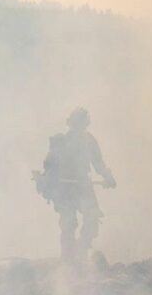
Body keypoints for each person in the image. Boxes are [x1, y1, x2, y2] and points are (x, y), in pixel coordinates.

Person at [36, 107, 116, 262]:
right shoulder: (60, 142)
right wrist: (48, 179)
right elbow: (50, 165)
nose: (79, 127)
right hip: (64, 189)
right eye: (76, 123)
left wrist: (108, 176)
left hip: (84, 186)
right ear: (70, 124)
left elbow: (98, 163)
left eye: (82, 123)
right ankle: (68, 260)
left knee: (92, 219)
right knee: (69, 223)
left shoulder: (89, 141)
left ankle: (81, 253)